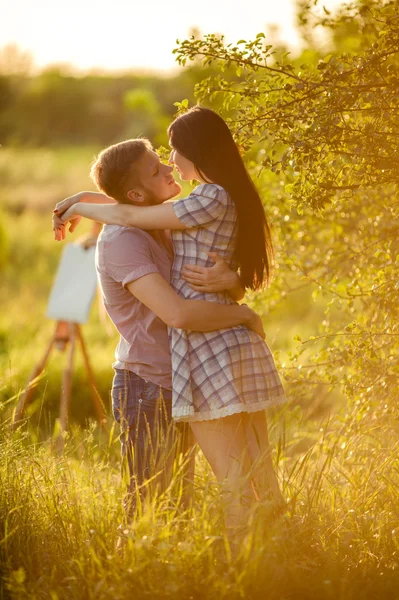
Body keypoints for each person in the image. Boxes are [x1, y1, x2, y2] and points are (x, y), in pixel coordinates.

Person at [53, 107, 286, 539]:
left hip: (189, 371)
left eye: (170, 155)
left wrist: (233, 283)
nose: (168, 162)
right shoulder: (125, 239)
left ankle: (258, 567)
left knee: (198, 497)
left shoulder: (178, 214)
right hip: (149, 384)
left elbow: (135, 208)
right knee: (151, 508)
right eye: (158, 165)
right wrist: (243, 312)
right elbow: (175, 309)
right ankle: (140, 577)